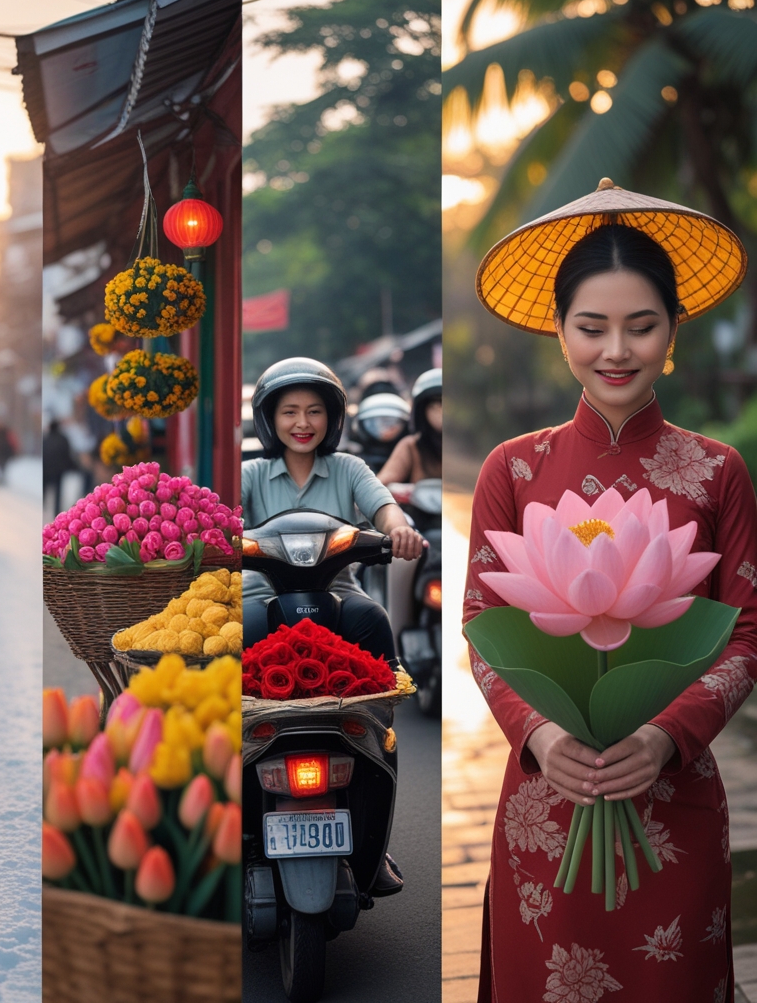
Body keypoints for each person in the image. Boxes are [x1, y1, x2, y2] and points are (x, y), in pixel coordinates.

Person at [464, 184, 757, 1000]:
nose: (616, 350)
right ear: (559, 332)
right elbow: (483, 629)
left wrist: (667, 737)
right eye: (592, 328)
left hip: (675, 791)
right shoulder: (512, 469)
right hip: (546, 795)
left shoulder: (715, 472)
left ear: (673, 331)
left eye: (642, 326)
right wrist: (543, 739)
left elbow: (748, 632)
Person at [242, 357, 424, 895]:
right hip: (258, 596)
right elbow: (222, 517)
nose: (303, 422)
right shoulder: (250, 472)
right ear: (268, 419)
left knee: (375, 618)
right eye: (290, 411)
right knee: (239, 634)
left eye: (315, 411)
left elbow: (386, 509)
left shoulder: (348, 470)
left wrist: (401, 530)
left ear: (334, 418)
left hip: (338, 596)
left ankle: (371, 755)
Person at [377, 367, 442, 485]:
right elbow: (380, 486)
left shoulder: (467, 449)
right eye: (435, 404)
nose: (441, 411)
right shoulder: (411, 447)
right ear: (422, 411)